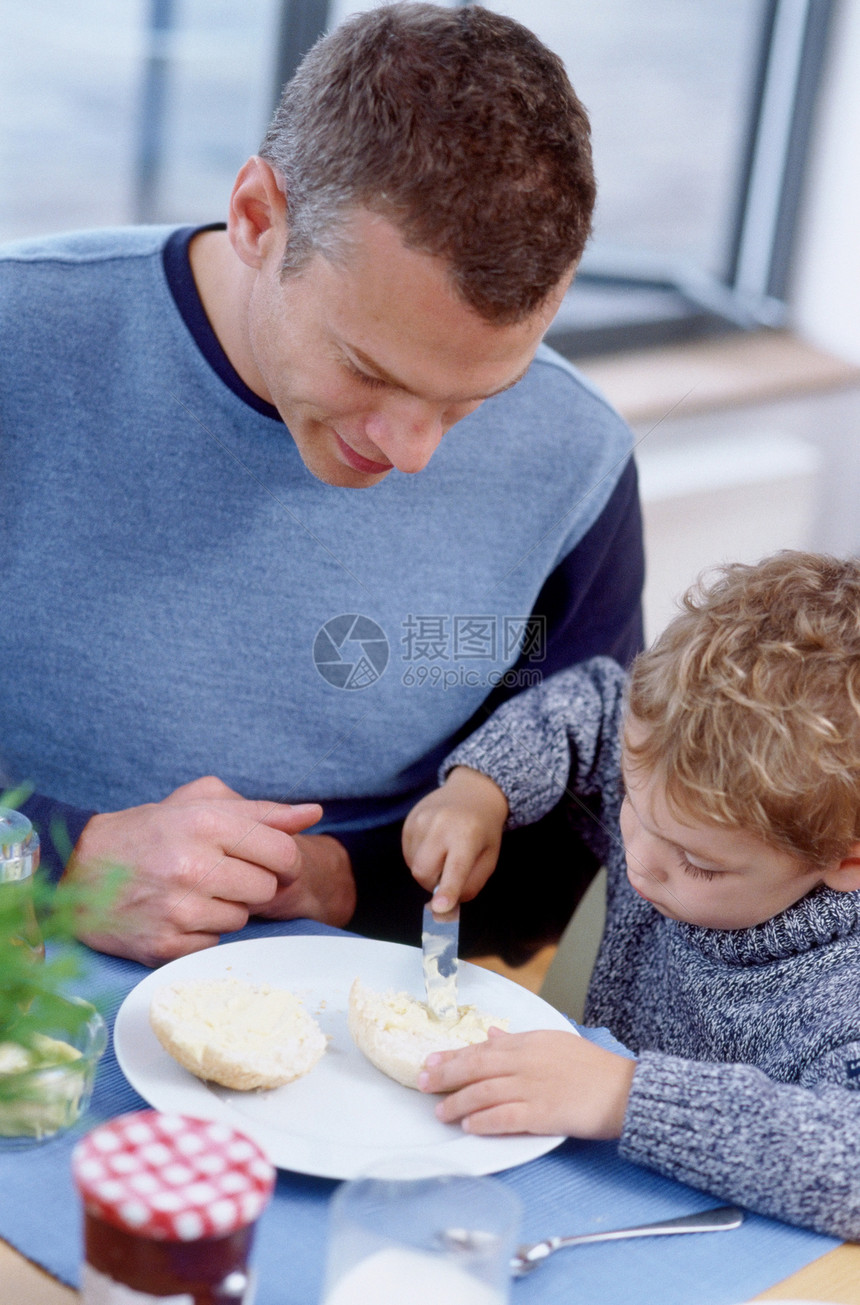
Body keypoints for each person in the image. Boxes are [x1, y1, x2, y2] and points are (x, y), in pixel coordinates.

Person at [0, 3, 643, 967]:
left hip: (358, 1014)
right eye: (369, 370)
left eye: (474, 396)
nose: (413, 450)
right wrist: (58, 862)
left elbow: (581, 829)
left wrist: (345, 881)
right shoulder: (24, 346)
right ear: (259, 217)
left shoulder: (575, 457)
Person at [408, 551, 860, 1239]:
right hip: (581, 1192)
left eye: (697, 863)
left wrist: (624, 1094)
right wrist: (480, 788)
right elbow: (592, 697)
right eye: (632, 807)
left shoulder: (841, 991)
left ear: (844, 859)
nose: (641, 863)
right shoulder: (675, 770)